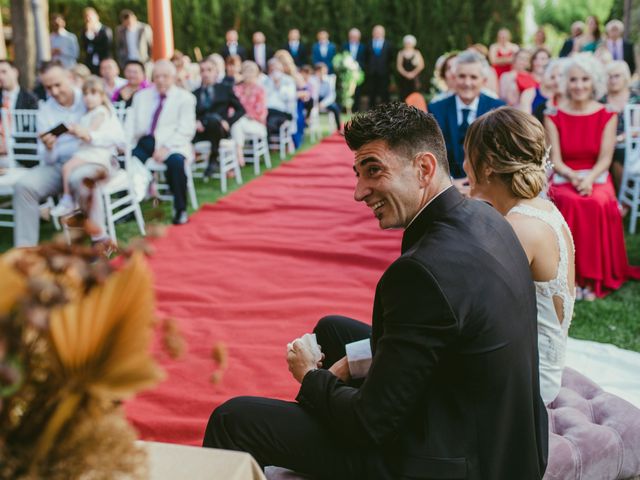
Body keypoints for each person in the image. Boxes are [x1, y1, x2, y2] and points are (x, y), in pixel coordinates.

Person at [203, 102, 548, 479]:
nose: (359, 191)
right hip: (507, 439)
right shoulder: (484, 216)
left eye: (373, 171)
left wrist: (311, 379)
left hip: (451, 463)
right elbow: (435, 337)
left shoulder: (420, 273)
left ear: (424, 168)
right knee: (331, 329)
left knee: (233, 418)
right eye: (358, 173)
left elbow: (371, 423)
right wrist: (350, 365)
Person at [463, 106, 575, 406]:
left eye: (466, 155)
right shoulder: (541, 210)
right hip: (540, 366)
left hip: (527, 383)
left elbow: (472, 309)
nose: (463, 166)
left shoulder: (517, 228)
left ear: (487, 166)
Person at [545, 54, 640, 299]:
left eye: (585, 79)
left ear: (594, 81)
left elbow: (606, 160)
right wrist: (575, 177)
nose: (579, 85)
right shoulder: (553, 115)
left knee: (597, 201)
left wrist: (588, 180)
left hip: (596, 174)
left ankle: (593, 277)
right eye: (573, 80)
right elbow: (555, 160)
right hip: (565, 174)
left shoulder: (607, 113)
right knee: (569, 200)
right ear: (566, 82)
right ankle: (570, 277)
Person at [13, 63, 117, 246]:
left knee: (81, 177)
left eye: (57, 85)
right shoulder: (44, 111)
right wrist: (49, 148)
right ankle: (25, 251)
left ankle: (99, 239)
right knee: (24, 186)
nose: (53, 91)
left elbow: (118, 138)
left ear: (69, 78)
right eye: (48, 87)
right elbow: (47, 160)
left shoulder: (90, 97)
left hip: (92, 159)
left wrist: (90, 136)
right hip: (59, 164)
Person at [126, 60, 196, 225]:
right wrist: (125, 145)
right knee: (126, 162)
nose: (161, 80)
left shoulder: (185, 98)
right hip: (145, 141)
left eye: (165, 76)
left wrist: (167, 147)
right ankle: (131, 205)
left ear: (173, 77)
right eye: (157, 76)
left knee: (176, 163)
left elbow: (186, 129)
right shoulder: (141, 96)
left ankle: (180, 209)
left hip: (173, 143)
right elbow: (131, 124)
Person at [50, 76, 123, 217]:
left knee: (67, 168)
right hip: (89, 152)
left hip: (96, 154)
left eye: (93, 93)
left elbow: (90, 132)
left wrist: (79, 131)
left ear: (102, 96)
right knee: (69, 169)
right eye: (86, 94)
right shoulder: (88, 113)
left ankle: (67, 200)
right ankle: (75, 203)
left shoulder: (100, 112)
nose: (88, 98)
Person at [428, 50, 505, 184]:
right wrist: (449, 183)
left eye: (473, 77)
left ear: (484, 80)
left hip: (488, 187)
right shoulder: (436, 109)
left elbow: (501, 155)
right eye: (462, 76)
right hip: (446, 188)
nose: (467, 83)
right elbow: (431, 153)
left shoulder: (498, 109)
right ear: (453, 78)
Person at [192, 58, 245, 176]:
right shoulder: (194, 93)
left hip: (220, 129)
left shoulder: (225, 89)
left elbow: (241, 110)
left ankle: (213, 158)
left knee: (213, 120)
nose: (205, 74)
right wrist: (196, 121)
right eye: (202, 71)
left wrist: (228, 122)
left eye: (209, 70)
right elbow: (190, 114)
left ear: (216, 72)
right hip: (201, 131)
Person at [601, 60, 640, 194]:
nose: (613, 80)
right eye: (610, 76)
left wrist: (617, 139)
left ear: (625, 77)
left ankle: (623, 197)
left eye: (617, 76)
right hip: (605, 142)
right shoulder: (601, 100)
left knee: (619, 152)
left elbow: (636, 130)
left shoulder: (635, 97)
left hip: (631, 143)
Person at [0, 60, 39, 158]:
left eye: (4, 72)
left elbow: (31, 130)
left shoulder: (30, 99)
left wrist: (9, 145)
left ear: (15, 72)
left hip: (20, 152)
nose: (1, 77)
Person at [231, 61, 268, 165]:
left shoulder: (260, 90)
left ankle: (238, 154)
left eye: (251, 72)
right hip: (239, 123)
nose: (248, 74)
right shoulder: (236, 88)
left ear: (256, 74)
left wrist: (246, 115)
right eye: (246, 71)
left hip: (256, 124)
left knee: (237, 122)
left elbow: (261, 112)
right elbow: (231, 108)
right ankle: (239, 153)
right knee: (238, 122)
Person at [262, 58, 297, 137]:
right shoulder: (265, 81)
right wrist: (272, 84)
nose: (274, 71)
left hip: (284, 111)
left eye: (276, 68)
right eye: (272, 68)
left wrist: (278, 85)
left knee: (271, 120)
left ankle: (269, 138)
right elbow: (264, 97)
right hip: (268, 111)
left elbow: (290, 97)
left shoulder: (288, 80)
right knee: (269, 118)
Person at [365, 25, 393, 108]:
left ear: (383, 33)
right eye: (375, 32)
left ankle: (385, 111)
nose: (377, 33)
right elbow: (366, 57)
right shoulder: (369, 43)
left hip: (384, 73)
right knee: (371, 92)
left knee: (384, 93)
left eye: (379, 32)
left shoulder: (388, 44)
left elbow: (390, 58)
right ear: (372, 33)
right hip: (371, 73)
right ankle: (371, 111)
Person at [80, 7, 113, 75]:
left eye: (90, 16)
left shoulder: (105, 30)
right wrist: (88, 34)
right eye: (86, 17)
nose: (88, 19)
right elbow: (85, 48)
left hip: (104, 62)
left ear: (96, 16)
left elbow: (107, 46)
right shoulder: (85, 31)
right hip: (90, 64)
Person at [311, 62, 340, 130]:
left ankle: (338, 128)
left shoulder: (329, 79)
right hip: (315, 99)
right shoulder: (313, 79)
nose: (321, 73)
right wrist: (316, 103)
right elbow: (312, 93)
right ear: (316, 71)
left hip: (326, 100)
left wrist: (323, 103)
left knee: (335, 108)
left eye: (323, 71)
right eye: (319, 71)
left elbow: (331, 95)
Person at [342, 28, 366, 112]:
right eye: (352, 36)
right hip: (347, 74)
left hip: (358, 74)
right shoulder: (344, 45)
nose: (353, 38)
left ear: (359, 37)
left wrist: (357, 66)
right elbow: (342, 57)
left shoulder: (363, 47)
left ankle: (356, 109)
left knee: (357, 92)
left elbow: (365, 60)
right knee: (346, 92)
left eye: (355, 36)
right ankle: (346, 109)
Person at [395, 35, 425, 100]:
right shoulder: (401, 53)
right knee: (403, 96)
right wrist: (406, 74)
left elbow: (421, 65)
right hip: (403, 79)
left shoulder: (417, 53)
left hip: (414, 79)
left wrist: (413, 74)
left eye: (409, 43)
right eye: (406, 43)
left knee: (415, 95)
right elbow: (399, 66)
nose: (408, 44)